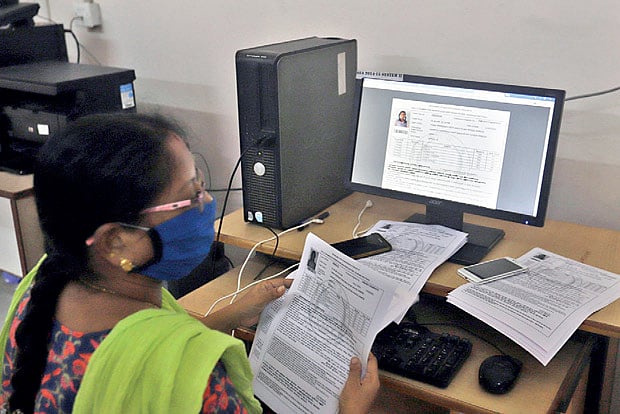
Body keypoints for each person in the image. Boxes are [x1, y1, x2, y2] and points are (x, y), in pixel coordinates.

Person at [0, 113, 379, 413]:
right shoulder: (201, 387)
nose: (207, 203)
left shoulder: (43, 283)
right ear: (116, 242)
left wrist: (232, 313)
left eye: (201, 184)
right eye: (191, 195)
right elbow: (159, 364)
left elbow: (143, 350)